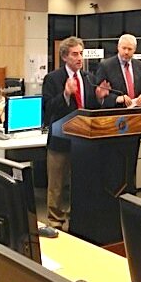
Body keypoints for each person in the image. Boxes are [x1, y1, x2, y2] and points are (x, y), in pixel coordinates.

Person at [42, 36, 112, 229]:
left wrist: (98, 98)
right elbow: (47, 108)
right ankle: (55, 221)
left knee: (80, 183)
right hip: (60, 138)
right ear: (65, 57)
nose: (79, 58)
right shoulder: (53, 78)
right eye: (75, 54)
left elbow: (88, 108)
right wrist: (65, 94)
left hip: (83, 142)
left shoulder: (88, 78)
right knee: (56, 185)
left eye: (81, 53)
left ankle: (77, 218)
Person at [95, 34, 141, 107]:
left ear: (134, 49)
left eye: (129, 49)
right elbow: (99, 94)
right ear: (118, 47)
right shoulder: (106, 66)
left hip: (137, 111)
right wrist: (117, 98)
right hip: (116, 112)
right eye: (124, 48)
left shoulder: (140, 65)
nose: (126, 52)